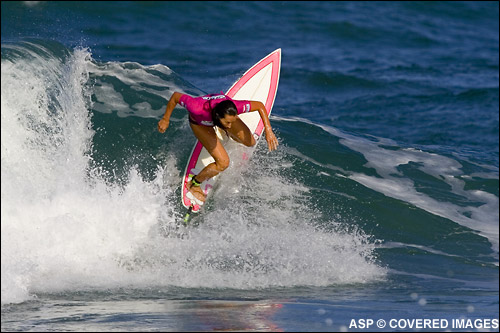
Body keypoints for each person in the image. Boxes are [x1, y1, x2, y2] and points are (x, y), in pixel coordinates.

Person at [158, 92, 278, 203]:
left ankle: (226, 130)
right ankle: (194, 184)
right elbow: (176, 97)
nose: (230, 126)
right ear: (217, 117)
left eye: (232, 121)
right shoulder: (196, 108)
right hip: (201, 124)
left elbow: (259, 106)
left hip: (219, 116)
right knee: (223, 163)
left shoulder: (234, 107)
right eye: (227, 123)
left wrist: (268, 130)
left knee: (250, 142)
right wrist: (165, 119)